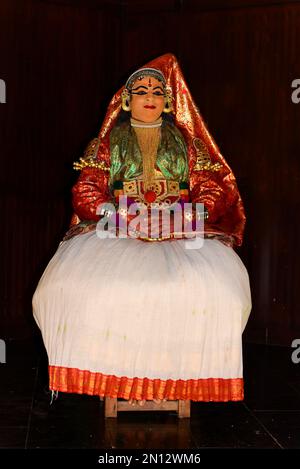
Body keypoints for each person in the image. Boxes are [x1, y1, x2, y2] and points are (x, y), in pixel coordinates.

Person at [32, 53, 251, 407]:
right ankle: (113, 373)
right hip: (119, 229)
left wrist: (186, 217)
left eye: (157, 90)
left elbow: (214, 189)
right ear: (126, 99)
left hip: (179, 228)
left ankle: (181, 377)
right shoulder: (108, 144)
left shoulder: (186, 143)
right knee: (73, 288)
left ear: (167, 102)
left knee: (220, 294)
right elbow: (85, 190)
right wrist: (120, 216)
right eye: (141, 90)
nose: (149, 95)